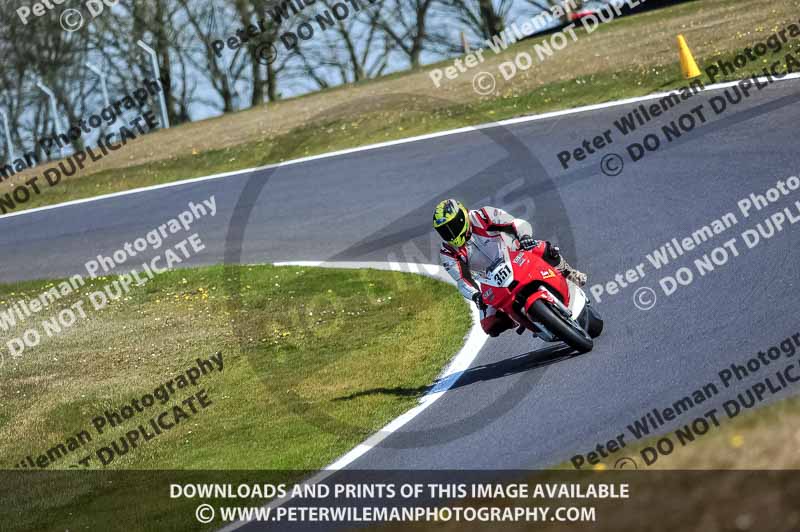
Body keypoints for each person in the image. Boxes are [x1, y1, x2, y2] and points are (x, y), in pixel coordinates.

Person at [433, 198, 587, 337]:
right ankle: (518, 318)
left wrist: (525, 237)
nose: (450, 233)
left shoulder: (483, 216)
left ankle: (569, 272)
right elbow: (461, 280)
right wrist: (475, 296)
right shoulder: (447, 251)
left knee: (542, 248)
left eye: (452, 226)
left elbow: (515, 223)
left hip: (514, 254)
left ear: (462, 217)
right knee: (490, 326)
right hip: (490, 280)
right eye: (444, 230)